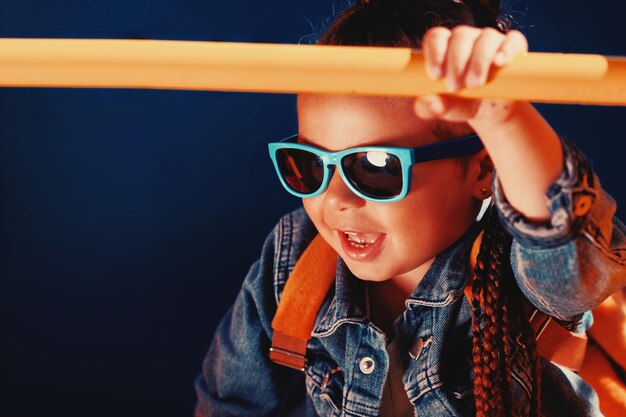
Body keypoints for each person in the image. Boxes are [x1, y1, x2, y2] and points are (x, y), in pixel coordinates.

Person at [194, 0, 626, 416]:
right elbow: (228, 404)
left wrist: (505, 119)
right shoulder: (292, 264)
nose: (337, 200)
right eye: (310, 164)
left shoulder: (515, 267)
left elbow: (565, 252)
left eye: (375, 167)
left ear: (484, 168)